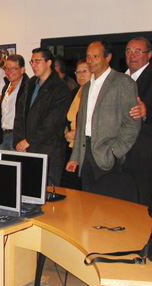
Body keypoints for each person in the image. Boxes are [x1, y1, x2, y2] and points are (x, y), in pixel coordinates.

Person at [66, 41, 140, 192]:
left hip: (107, 154)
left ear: (108, 57)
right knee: (88, 202)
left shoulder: (123, 82)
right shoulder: (86, 87)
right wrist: (75, 156)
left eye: (95, 56)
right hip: (86, 153)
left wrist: (115, 151)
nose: (90, 60)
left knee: (107, 205)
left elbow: (132, 123)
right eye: (88, 56)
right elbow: (82, 124)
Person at [122, 37, 152, 205]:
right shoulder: (118, 80)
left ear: (149, 55)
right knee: (118, 204)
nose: (132, 55)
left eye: (138, 51)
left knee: (142, 205)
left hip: (144, 156)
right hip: (118, 153)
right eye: (128, 51)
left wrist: (146, 112)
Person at [13, 48, 71, 186]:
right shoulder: (30, 84)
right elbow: (19, 115)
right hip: (27, 150)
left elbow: (52, 121)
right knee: (26, 193)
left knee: (47, 197)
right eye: (32, 61)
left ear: (49, 62)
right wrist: (19, 141)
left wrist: (30, 140)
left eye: (37, 61)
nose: (33, 65)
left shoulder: (60, 88)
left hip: (48, 151)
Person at [61, 59, 92, 190]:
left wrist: (77, 133)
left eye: (84, 71)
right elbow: (65, 117)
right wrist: (66, 132)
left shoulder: (94, 93)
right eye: (77, 72)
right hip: (70, 144)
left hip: (86, 147)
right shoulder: (74, 92)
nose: (80, 75)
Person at [0, 54, 29, 151]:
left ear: (22, 70)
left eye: (14, 69)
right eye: (7, 68)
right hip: (4, 135)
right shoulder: (6, 87)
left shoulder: (27, 88)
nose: (9, 72)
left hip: (18, 137)